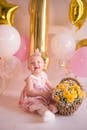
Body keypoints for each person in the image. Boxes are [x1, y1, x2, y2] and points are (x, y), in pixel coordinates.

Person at [19, 49, 57, 122]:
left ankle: (53, 108)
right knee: (38, 104)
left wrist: (54, 89)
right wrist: (41, 94)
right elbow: (29, 92)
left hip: (45, 93)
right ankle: (45, 113)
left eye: (39, 62)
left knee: (53, 99)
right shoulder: (30, 78)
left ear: (44, 65)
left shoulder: (44, 74)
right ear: (28, 67)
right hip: (35, 95)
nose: (36, 64)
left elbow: (48, 83)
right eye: (32, 63)